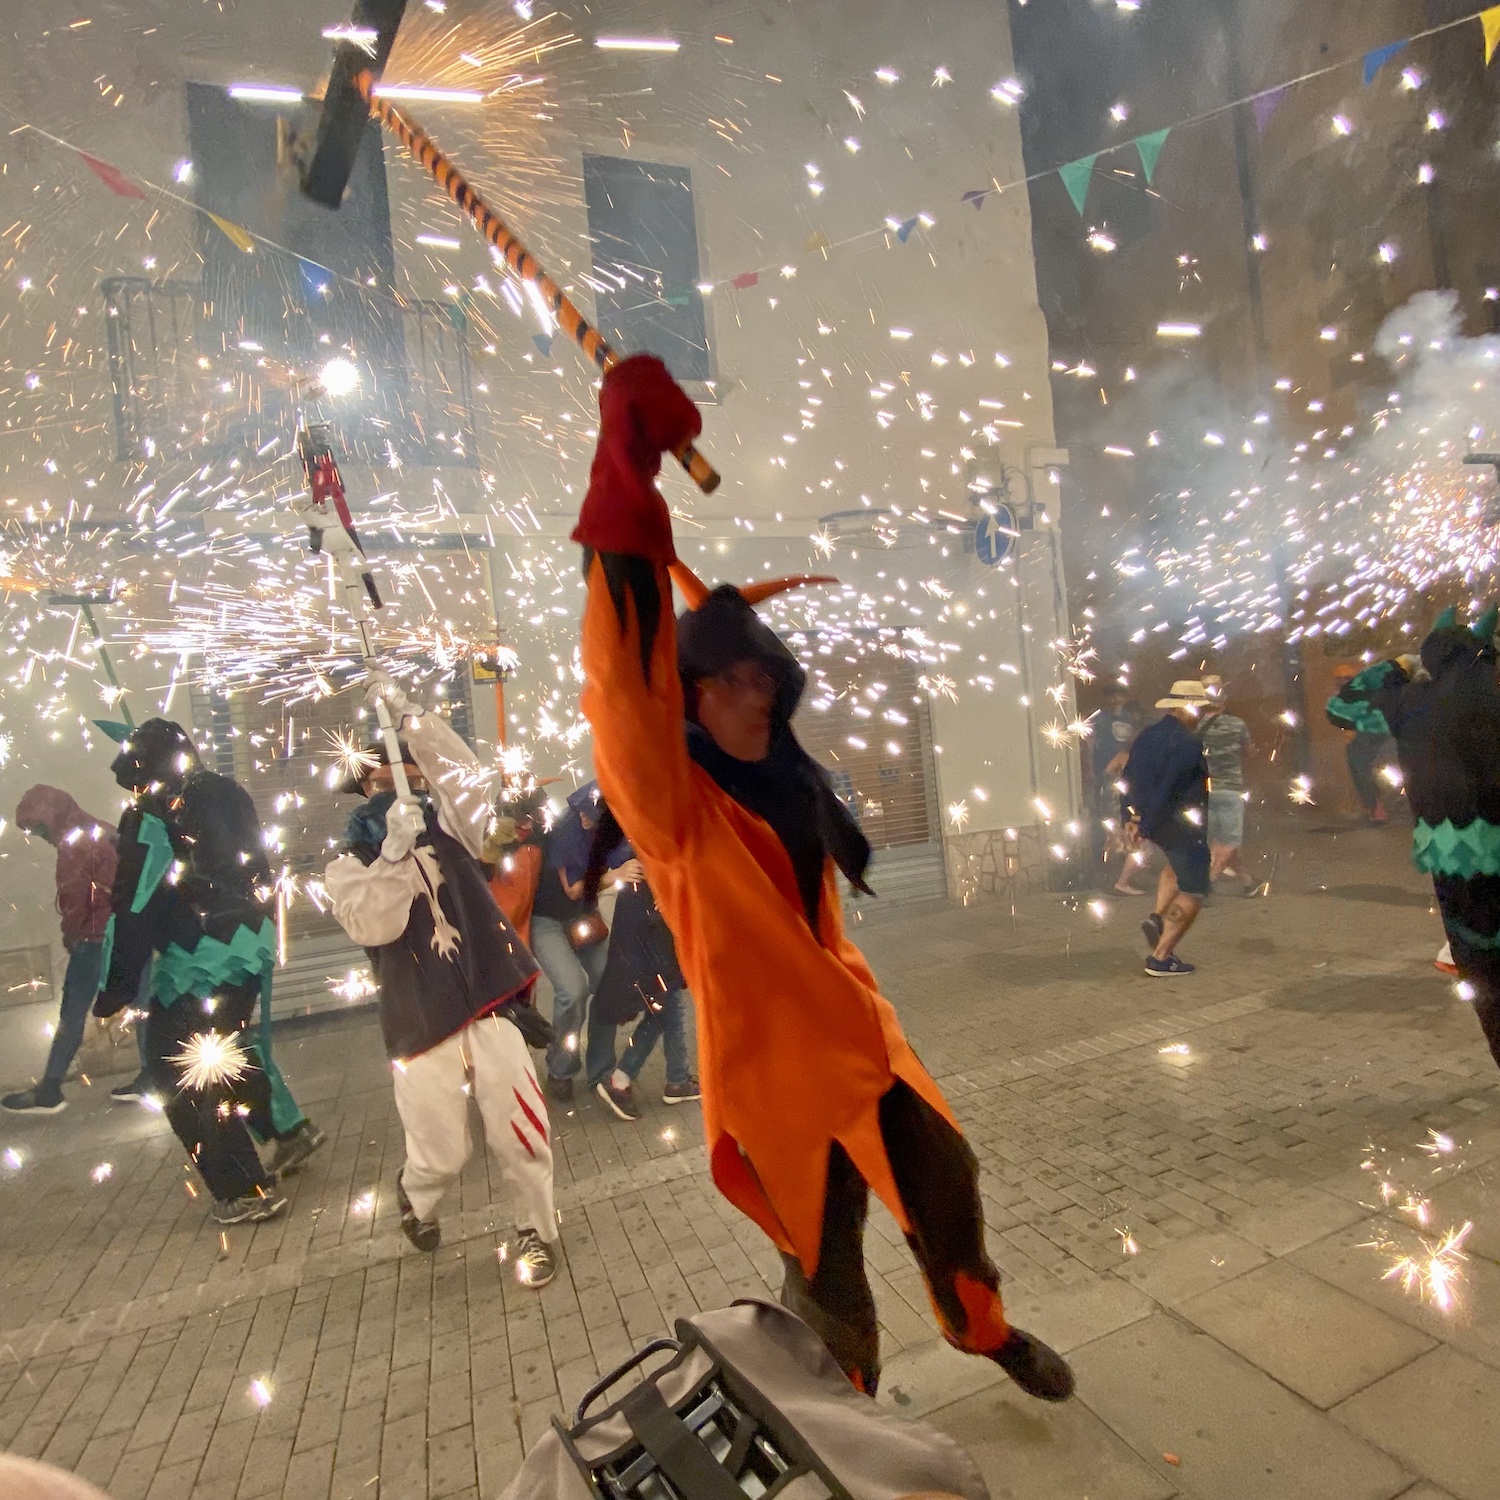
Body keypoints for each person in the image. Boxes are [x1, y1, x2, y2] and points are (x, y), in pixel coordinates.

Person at [570, 353, 1072, 1401]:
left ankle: (982, 1334)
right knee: (827, 1273)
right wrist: (626, 458)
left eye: (770, 680)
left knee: (951, 1189)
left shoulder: (792, 781)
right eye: (735, 682)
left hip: (860, 1037)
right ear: (693, 696)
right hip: (773, 1076)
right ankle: (849, 1424)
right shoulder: (672, 807)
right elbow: (623, 673)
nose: (759, 697)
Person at [324, 693, 561, 1285]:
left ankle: (536, 1229)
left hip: (488, 1004)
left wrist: (415, 722)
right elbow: (373, 925)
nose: (399, 791)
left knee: (520, 1128)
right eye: (383, 782)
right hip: (420, 1018)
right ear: (364, 790)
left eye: (409, 777)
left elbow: (466, 778)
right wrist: (393, 856)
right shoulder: (347, 865)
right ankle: (416, 1194)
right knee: (441, 1150)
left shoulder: (454, 826)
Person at [93, 720, 325, 1224]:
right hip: (252, 940)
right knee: (224, 1047)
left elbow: (133, 907)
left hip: (200, 953)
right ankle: (288, 1131)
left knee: (178, 1067)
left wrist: (113, 995)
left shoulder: (148, 817)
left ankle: (244, 1189)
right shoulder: (227, 791)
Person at [1329, 606, 1500, 1069]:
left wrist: (1397, 666)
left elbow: (1340, 707)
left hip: (1454, 856)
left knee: (1482, 969)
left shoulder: (1412, 702)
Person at [3, 785, 151, 1113]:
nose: (39, 835)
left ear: (52, 817)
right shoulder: (101, 830)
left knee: (72, 1013)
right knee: (143, 1006)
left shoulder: (74, 843)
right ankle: (153, 1076)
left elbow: (74, 900)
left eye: (39, 827)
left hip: (96, 940)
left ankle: (50, 1088)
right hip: (128, 932)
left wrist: (72, 936)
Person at [582, 809, 701, 1121]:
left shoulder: (652, 830)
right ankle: (620, 1079)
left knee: (669, 1008)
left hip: (652, 935)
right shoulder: (648, 834)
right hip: (650, 939)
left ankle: (677, 1079)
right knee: (665, 1007)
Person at [1120, 681, 1212, 976]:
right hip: (1178, 824)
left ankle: (1158, 918)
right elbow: (1168, 788)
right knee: (1194, 890)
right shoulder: (1187, 742)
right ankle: (1161, 957)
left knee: (1174, 868)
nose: (1200, 713)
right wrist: (1144, 827)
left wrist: (1130, 818)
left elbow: (1128, 778)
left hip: (1154, 821)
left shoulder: (1148, 735)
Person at [529, 782, 610, 1103]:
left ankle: (601, 1067)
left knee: (608, 981)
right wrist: (614, 876)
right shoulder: (564, 830)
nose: (586, 820)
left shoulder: (614, 826)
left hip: (583, 917)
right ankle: (561, 1067)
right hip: (546, 919)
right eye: (583, 814)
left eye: (593, 817)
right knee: (572, 991)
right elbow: (575, 889)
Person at [1197, 680, 1258, 896]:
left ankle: (1248, 883)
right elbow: (1249, 752)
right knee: (1229, 841)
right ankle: (1205, 883)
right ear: (1223, 702)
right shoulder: (1238, 724)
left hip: (1206, 790)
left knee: (1221, 840)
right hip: (1231, 788)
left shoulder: (1198, 726)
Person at [1087, 683, 1145, 893]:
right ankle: (1111, 869)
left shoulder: (1128, 719)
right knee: (1111, 818)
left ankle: (1121, 867)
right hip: (1109, 775)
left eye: (1120, 695)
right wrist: (1093, 770)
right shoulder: (1100, 719)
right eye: (1112, 695)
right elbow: (1091, 744)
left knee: (1124, 820)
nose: (1116, 699)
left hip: (1124, 774)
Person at [1331, 662, 1395, 824]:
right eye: (1339, 679)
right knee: (1361, 772)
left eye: (1346, 678)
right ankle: (1374, 808)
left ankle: (1377, 810)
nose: (1343, 682)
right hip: (1361, 738)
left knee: (1362, 772)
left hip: (1365, 738)